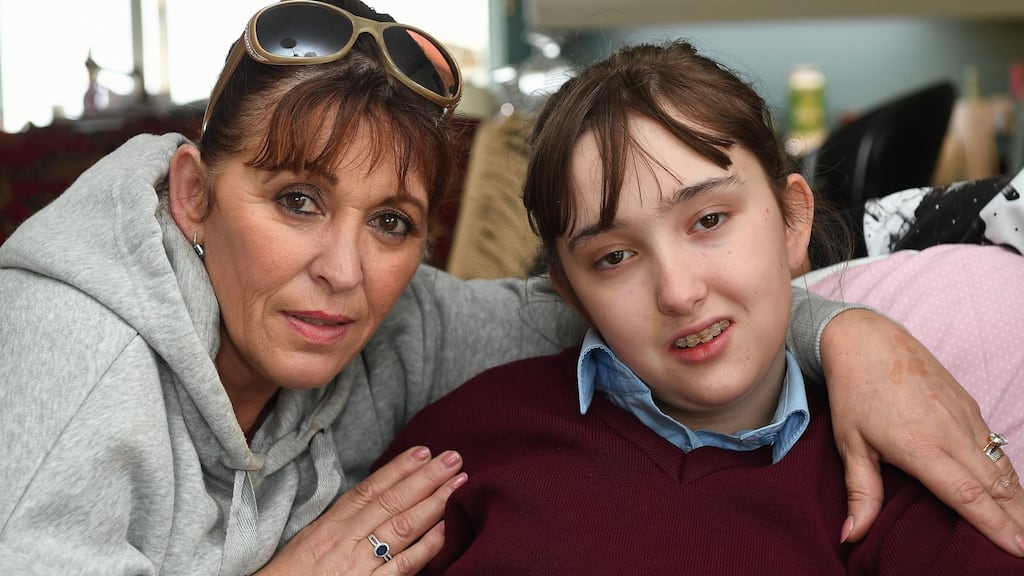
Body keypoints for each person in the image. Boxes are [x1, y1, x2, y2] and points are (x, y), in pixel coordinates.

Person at [0, 0, 1018, 572]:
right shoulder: (77, 361)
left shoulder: (403, 331)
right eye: (297, 201)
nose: (345, 274)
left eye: (392, 221)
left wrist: (845, 332)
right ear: (191, 194)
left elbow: (652, 312)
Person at [375, 40, 1024, 574]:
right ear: (569, 291)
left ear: (792, 221)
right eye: (614, 257)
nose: (679, 292)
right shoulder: (457, 453)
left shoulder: (890, 476)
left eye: (709, 219)